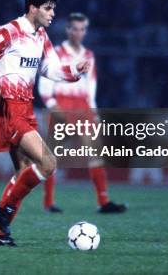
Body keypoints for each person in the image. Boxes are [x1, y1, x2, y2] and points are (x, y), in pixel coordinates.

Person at [0, 0, 92, 247]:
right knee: (48, 163)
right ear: (33, 7)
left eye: (54, 9)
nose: (52, 14)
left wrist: (75, 71)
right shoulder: (8, 32)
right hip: (9, 107)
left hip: (26, 106)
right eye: (47, 8)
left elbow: (52, 69)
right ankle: (3, 209)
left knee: (24, 171)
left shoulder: (41, 36)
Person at [39, 12, 127, 213]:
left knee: (95, 153)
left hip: (82, 106)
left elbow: (91, 86)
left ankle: (104, 202)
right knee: (52, 157)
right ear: (68, 30)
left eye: (82, 29)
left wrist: (93, 111)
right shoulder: (55, 54)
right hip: (62, 104)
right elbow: (44, 84)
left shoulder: (88, 56)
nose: (78, 33)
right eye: (75, 29)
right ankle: (48, 203)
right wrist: (54, 106)